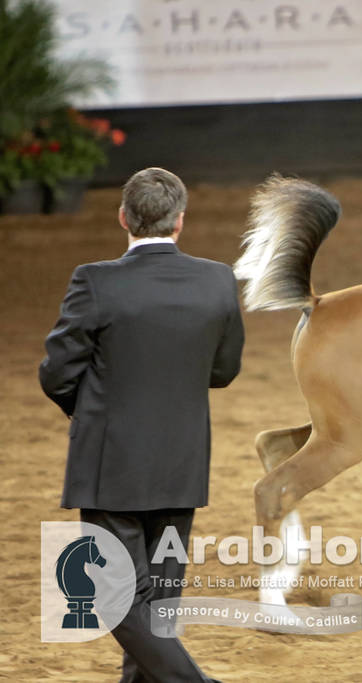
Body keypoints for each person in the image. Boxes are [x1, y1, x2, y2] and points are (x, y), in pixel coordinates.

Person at [40, 167, 244, 682]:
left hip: (113, 463)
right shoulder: (218, 278)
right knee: (158, 600)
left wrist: (95, 412)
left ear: (123, 217)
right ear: (180, 221)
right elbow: (223, 370)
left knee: (113, 598)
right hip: (182, 458)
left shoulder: (97, 280)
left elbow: (57, 372)